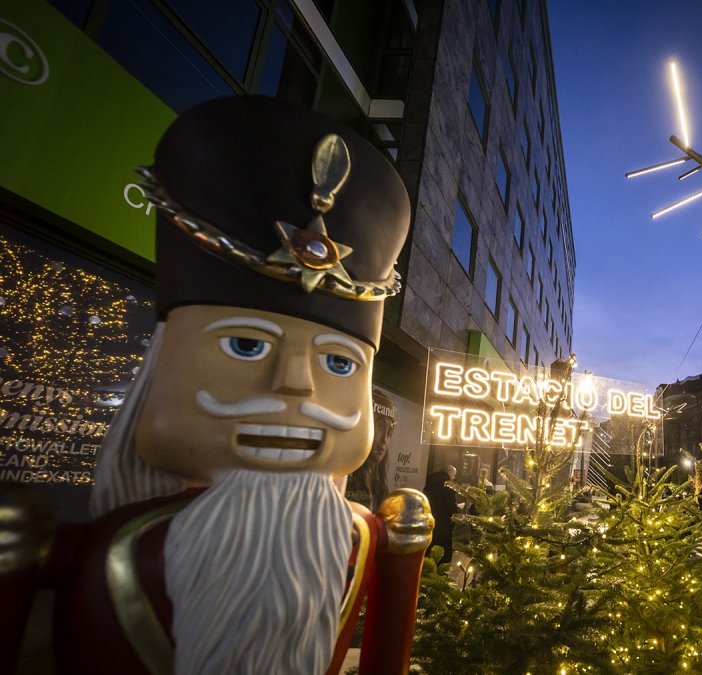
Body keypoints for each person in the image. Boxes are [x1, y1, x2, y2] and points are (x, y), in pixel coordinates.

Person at [0, 96, 429, 675]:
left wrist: (404, 548)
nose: (294, 385)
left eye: (339, 364)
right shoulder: (110, 543)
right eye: (245, 345)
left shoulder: (355, 534)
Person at [425, 464, 460, 564]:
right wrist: (456, 510)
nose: (454, 478)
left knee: (429, 551)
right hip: (443, 526)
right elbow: (450, 508)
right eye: (454, 475)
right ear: (450, 473)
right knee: (442, 554)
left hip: (430, 522)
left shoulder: (430, 482)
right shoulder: (448, 486)